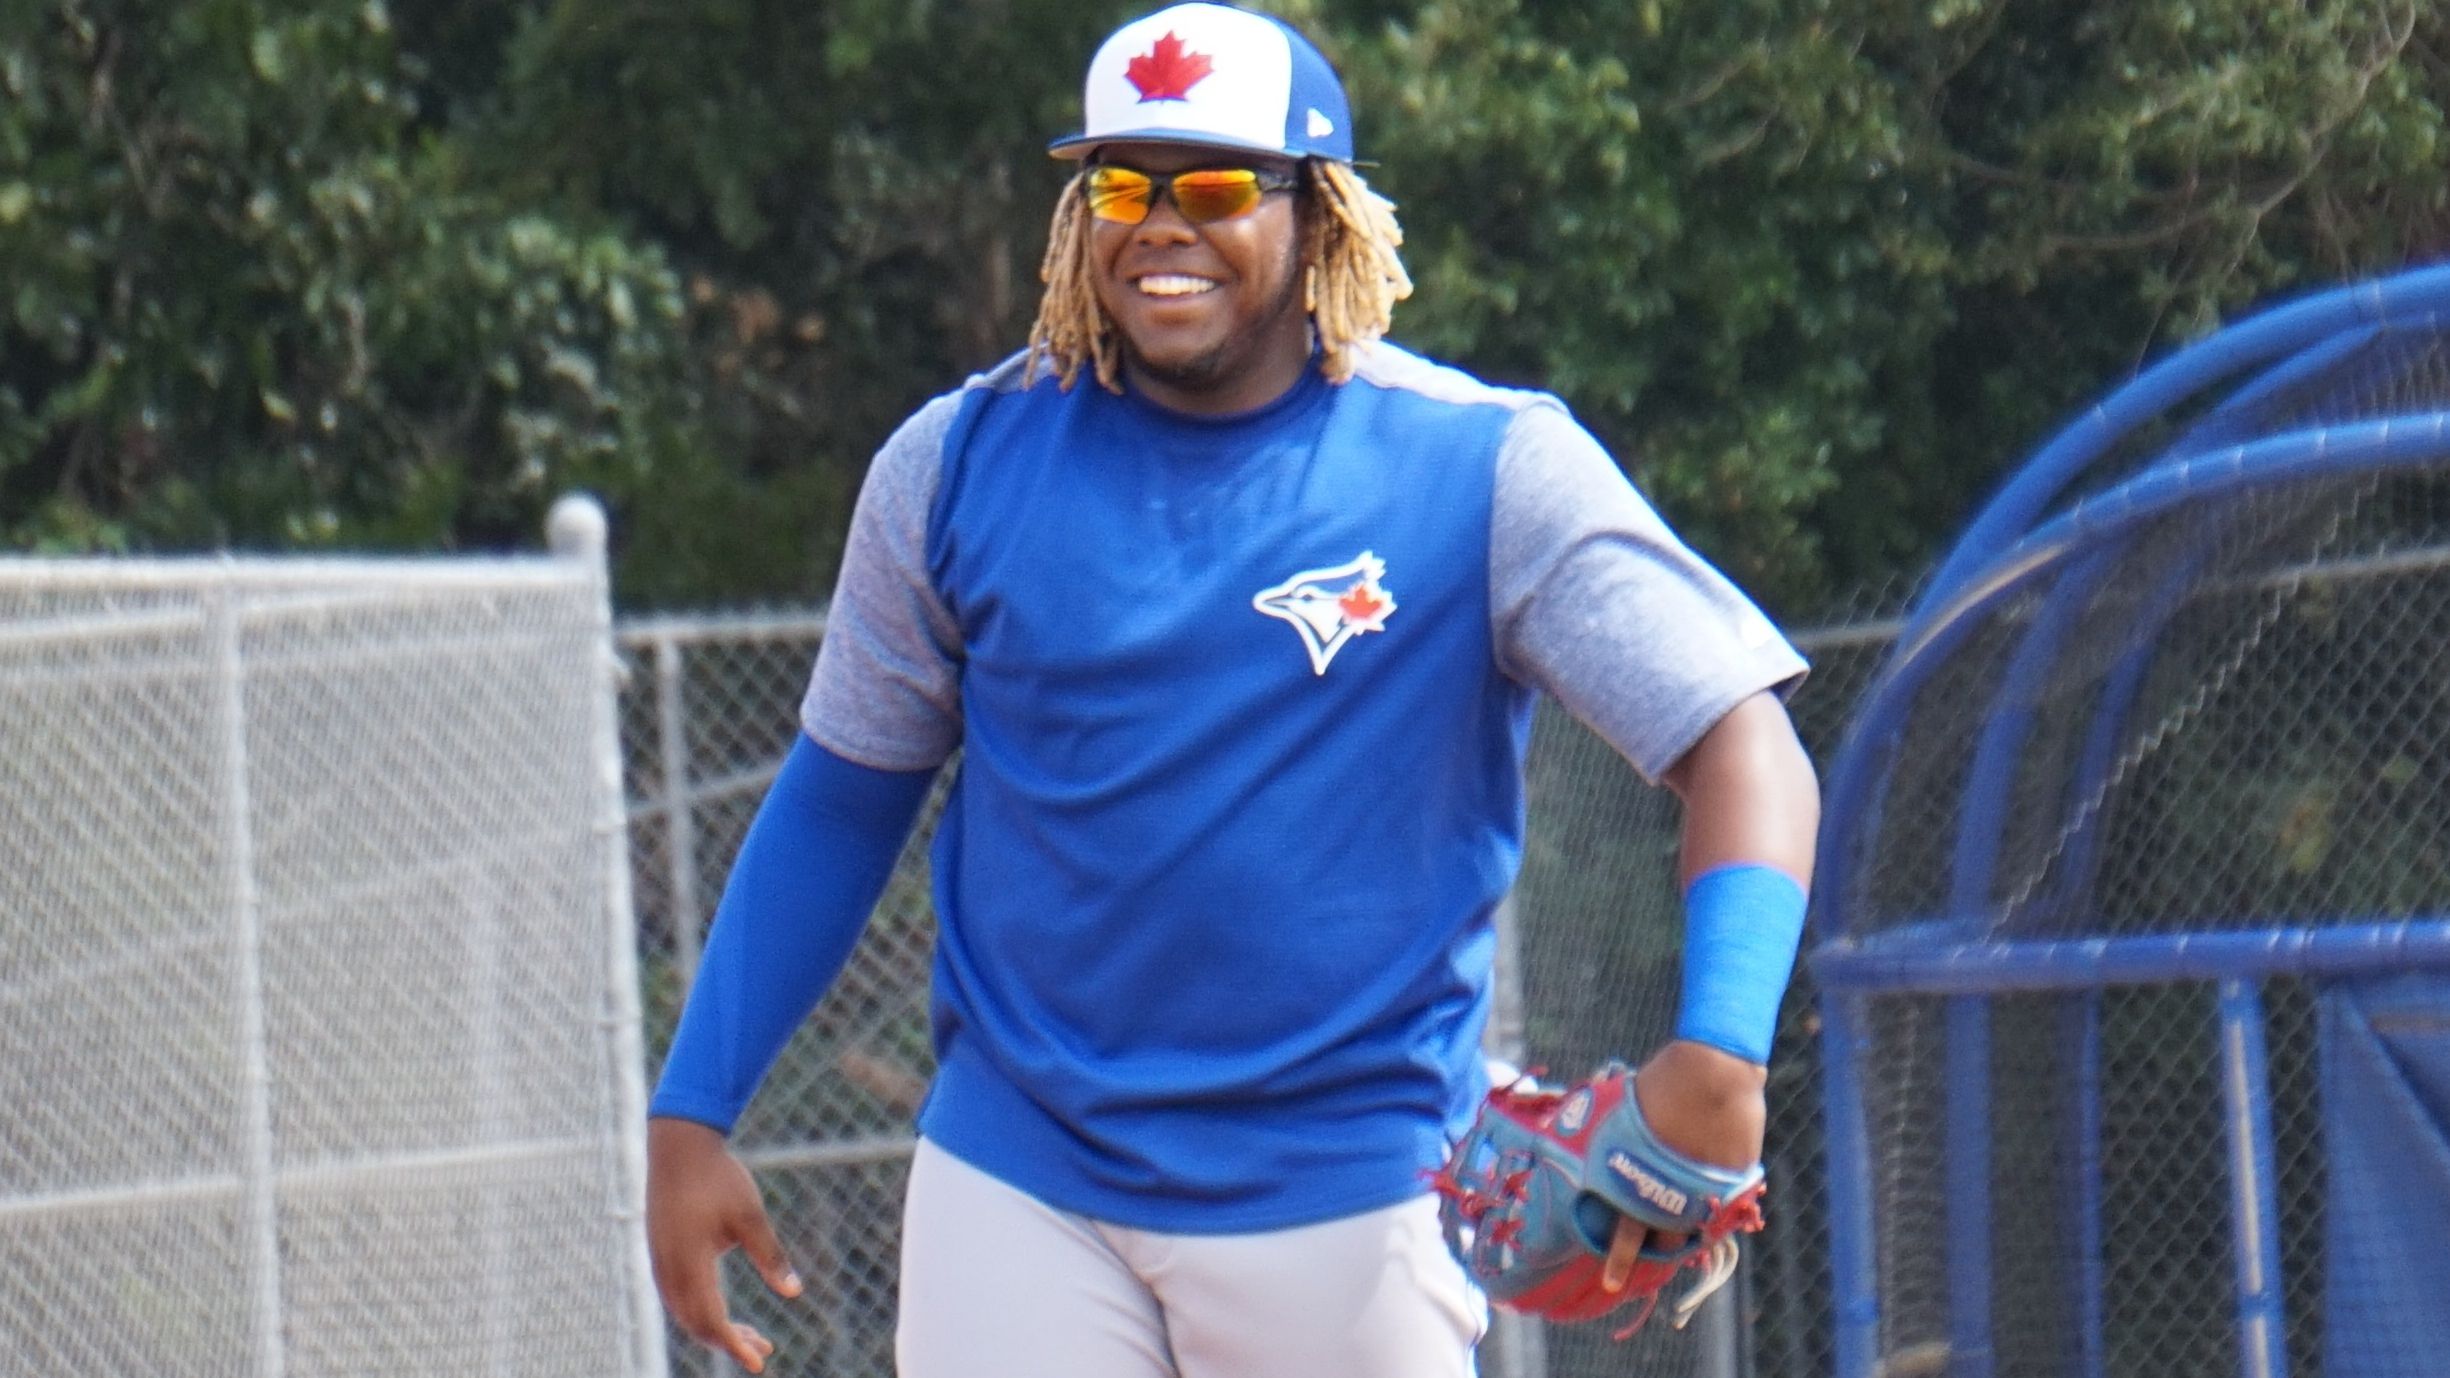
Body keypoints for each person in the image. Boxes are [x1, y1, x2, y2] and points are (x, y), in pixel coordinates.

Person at [644, 4, 1820, 1375]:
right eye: (1123, 187)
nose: (1160, 224)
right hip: (1022, 1176)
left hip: (1344, 1186)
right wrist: (695, 1107)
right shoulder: (957, 460)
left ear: (1320, 215)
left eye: (1211, 187)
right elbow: (842, 799)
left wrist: (1722, 1054)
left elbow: (1742, 738)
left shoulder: (1479, 468)